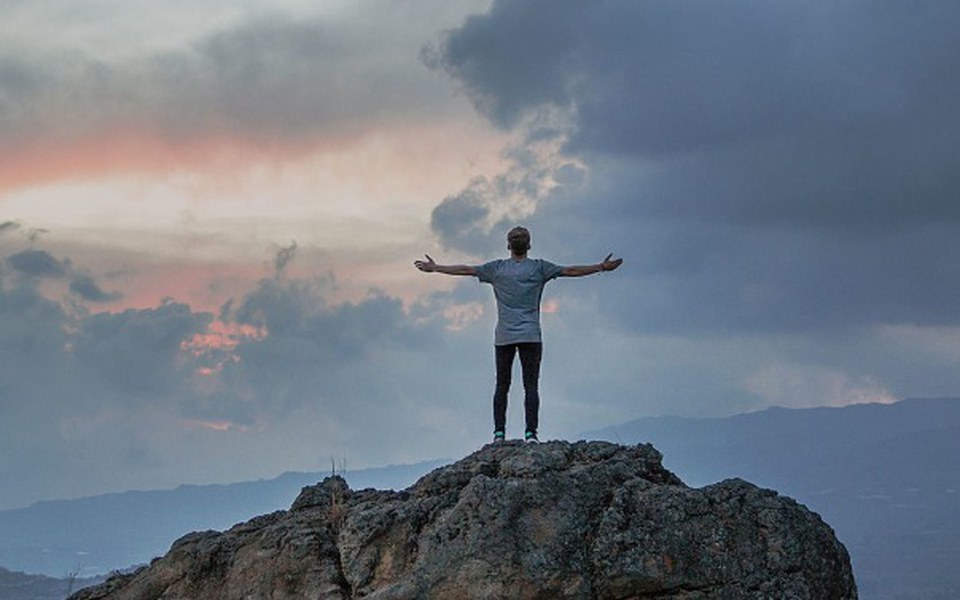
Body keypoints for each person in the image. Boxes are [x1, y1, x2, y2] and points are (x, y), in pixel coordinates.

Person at [414, 226, 623, 443]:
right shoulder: (540, 268)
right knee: (531, 386)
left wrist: (436, 267)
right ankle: (531, 434)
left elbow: (466, 270)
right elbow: (571, 271)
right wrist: (601, 267)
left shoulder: (496, 269)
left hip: (504, 337)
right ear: (529, 245)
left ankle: (499, 434)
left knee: (502, 385)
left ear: (508, 246)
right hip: (531, 336)